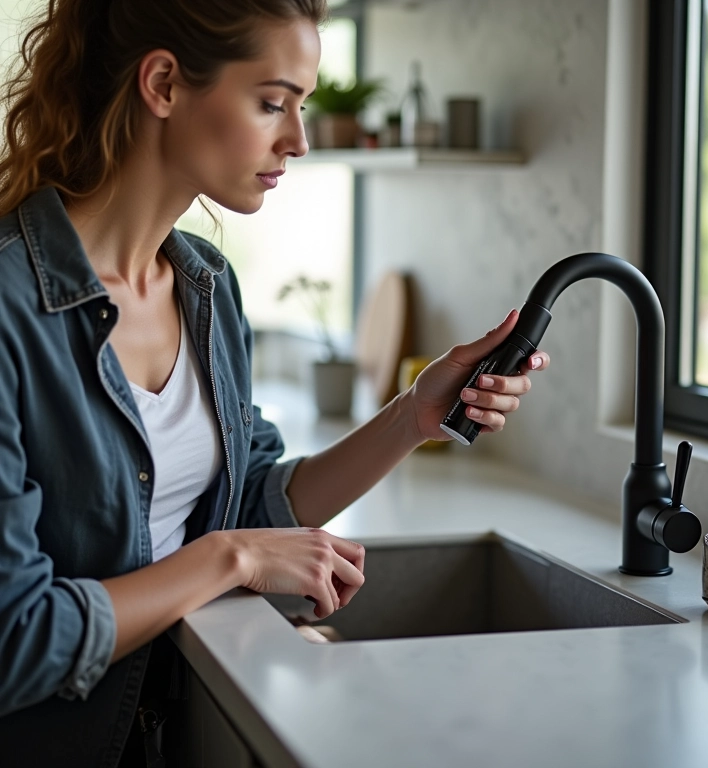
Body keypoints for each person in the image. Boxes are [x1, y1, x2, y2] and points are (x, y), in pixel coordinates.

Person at [0, 0, 550, 765]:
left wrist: (412, 417)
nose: (296, 139)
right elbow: (14, 638)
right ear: (162, 83)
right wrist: (230, 559)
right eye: (271, 103)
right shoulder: (9, 308)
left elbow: (251, 498)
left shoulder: (205, 287)